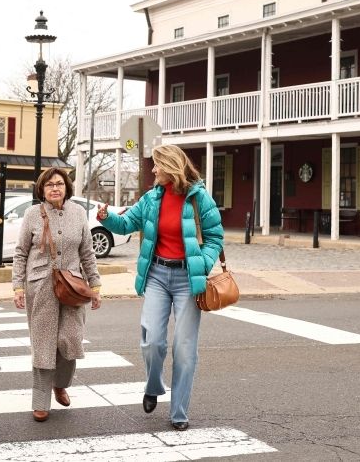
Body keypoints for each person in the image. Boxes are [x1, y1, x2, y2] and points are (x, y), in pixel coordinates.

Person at [97, 144, 223, 431]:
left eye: (157, 165)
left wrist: (202, 264)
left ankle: (179, 412)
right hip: (156, 274)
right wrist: (107, 218)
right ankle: (153, 386)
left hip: (187, 279)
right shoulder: (152, 198)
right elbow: (127, 224)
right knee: (152, 340)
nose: (153, 170)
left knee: (184, 349)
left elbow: (215, 237)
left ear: (171, 167)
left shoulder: (199, 198)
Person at [12, 167, 101, 423]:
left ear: (67, 187)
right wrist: (18, 286)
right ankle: (40, 401)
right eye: (49, 184)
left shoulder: (79, 213)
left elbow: (87, 252)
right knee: (43, 343)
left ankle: (60, 383)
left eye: (59, 184)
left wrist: (95, 285)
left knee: (70, 339)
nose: (54, 188)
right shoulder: (32, 214)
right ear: (42, 189)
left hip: (73, 286)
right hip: (40, 285)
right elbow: (21, 252)